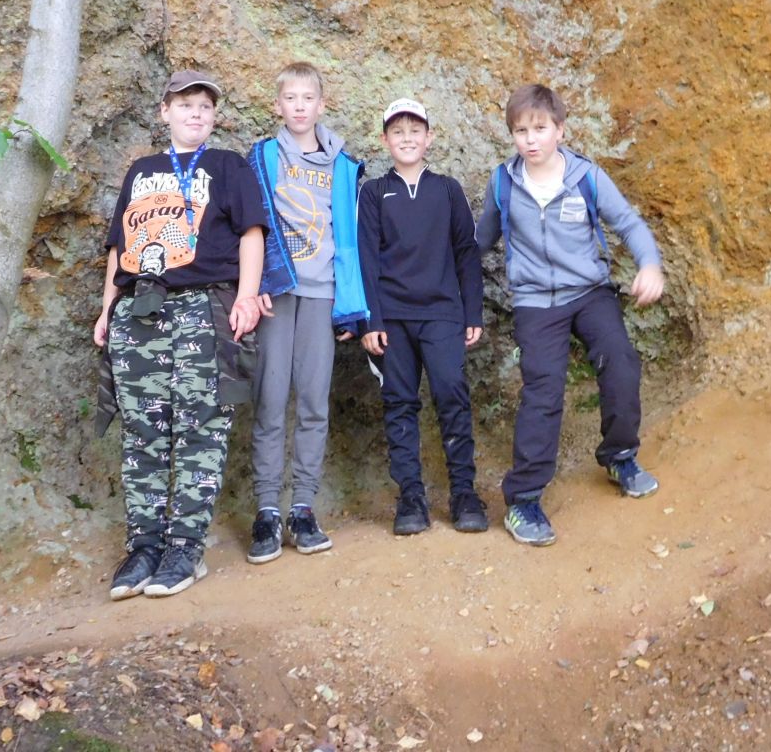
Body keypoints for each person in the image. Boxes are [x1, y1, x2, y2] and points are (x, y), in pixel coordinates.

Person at [93, 70, 266, 599]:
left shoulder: (228, 165)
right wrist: (107, 309)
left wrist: (246, 297)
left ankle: (185, 549)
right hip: (138, 311)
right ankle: (143, 548)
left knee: (200, 429)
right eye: (186, 104)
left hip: (203, 308)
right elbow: (119, 248)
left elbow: (251, 233)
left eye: (205, 106)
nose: (196, 113)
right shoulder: (141, 171)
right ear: (164, 111)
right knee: (142, 432)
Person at [476, 83, 666, 547]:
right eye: (521, 131)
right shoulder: (503, 182)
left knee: (620, 362)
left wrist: (649, 265)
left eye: (540, 128)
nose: (530, 139)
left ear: (560, 130)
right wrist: (442, 280)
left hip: (589, 292)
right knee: (543, 388)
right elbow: (479, 241)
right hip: (535, 301)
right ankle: (523, 500)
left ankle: (620, 455)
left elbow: (628, 223)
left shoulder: (586, 177)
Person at [245, 62, 369, 563]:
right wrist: (253, 286)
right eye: (290, 98)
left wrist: (351, 307)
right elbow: (250, 226)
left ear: (322, 104)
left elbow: (351, 237)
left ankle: (302, 507)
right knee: (271, 398)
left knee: (314, 400)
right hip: (277, 290)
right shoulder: (263, 156)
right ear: (278, 105)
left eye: (307, 98)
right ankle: (266, 510)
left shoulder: (343, 165)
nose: (299, 107)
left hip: (322, 292)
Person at [357, 98, 488, 535]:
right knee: (399, 401)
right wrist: (371, 320)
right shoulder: (374, 192)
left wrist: (472, 310)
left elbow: (466, 251)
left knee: (452, 393)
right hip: (392, 317)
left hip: (442, 313)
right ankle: (411, 497)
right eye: (398, 131)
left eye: (415, 130)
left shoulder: (447, 189)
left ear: (429, 137)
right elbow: (365, 258)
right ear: (385, 140)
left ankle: (464, 493)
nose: (407, 138)